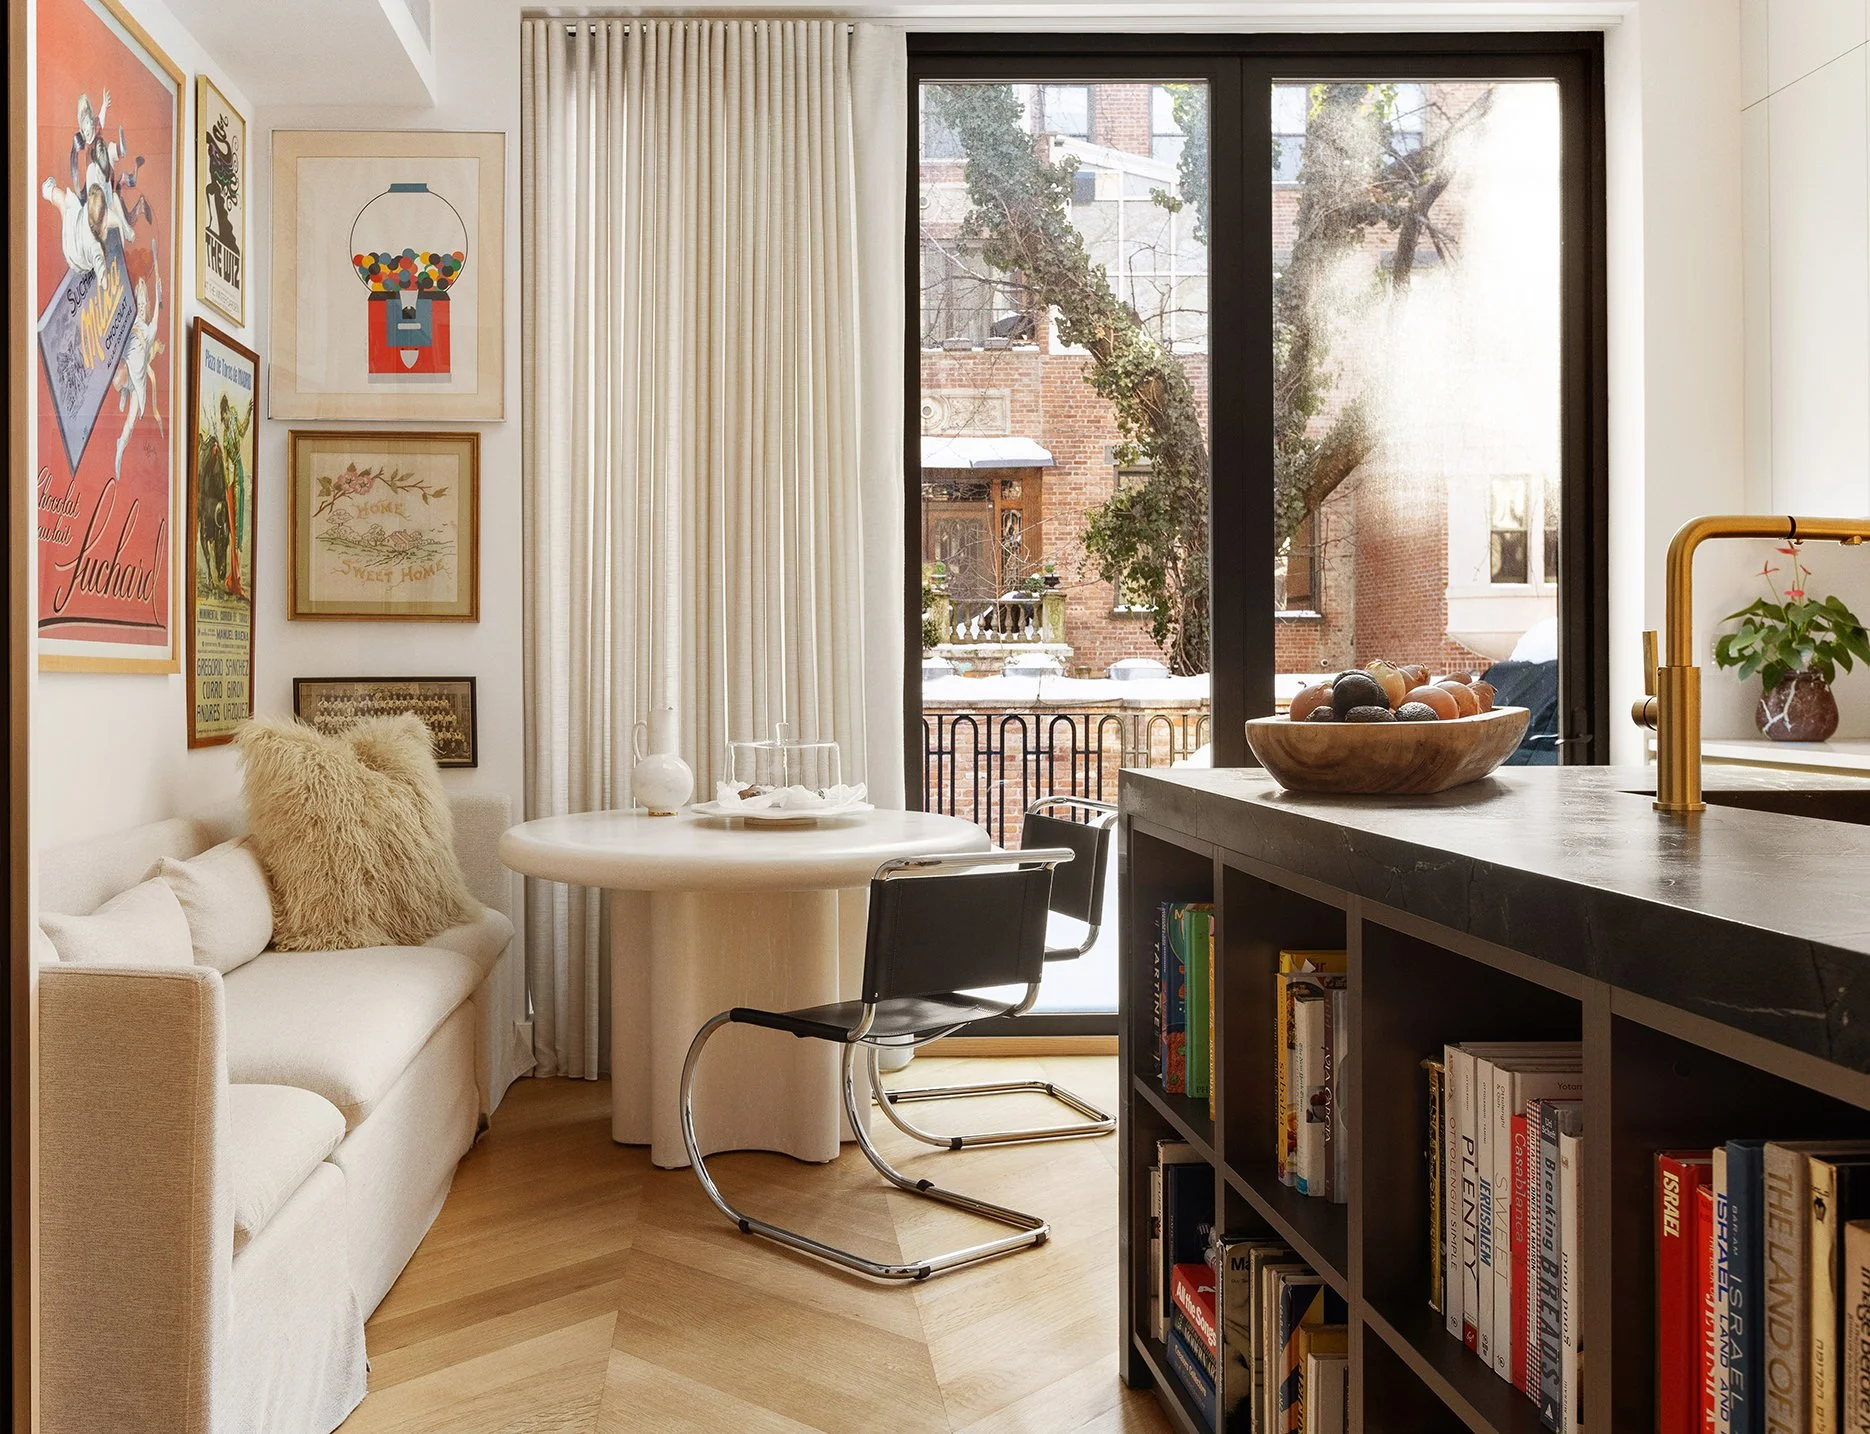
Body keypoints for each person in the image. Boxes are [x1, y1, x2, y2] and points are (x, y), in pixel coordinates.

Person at [111, 240, 162, 482]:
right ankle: (122, 391)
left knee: (130, 421)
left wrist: (159, 294)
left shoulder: (150, 328)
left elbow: (159, 316)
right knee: (117, 379)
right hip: (126, 368)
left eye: (144, 304)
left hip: (138, 378)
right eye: (138, 303)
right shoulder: (132, 321)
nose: (141, 307)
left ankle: (119, 449)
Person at [217, 390, 253, 600]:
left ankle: (235, 578)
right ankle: (234, 577)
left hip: (236, 477)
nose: (225, 419)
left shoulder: (228, 428)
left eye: (224, 417)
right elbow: (241, 431)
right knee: (235, 528)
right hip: (235, 478)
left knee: (237, 527)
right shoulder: (228, 432)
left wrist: (247, 413)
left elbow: (241, 431)